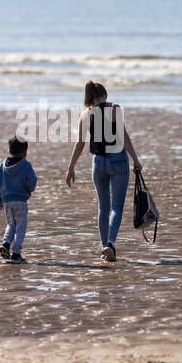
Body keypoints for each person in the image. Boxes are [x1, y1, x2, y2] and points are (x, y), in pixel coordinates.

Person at [64, 81, 142, 262]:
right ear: (104, 95)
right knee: (116, 207)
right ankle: (111, 244)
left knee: (103, 207)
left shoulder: (84, 114)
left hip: (98, 163)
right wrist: (136, 160)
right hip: (117, 161)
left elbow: (80, 144)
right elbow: (124, 136)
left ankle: (103, 248)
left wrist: (71, 167)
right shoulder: (115, 109)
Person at [0, 135, 37, 264]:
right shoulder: (25, 165)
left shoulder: (2, 166)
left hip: (6, 201)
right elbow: (32, 181)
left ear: (9, 151)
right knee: (20, 227)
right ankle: (16, 254)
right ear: (24, 152)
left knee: (11, 224)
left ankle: (6, 244)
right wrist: (28, 190)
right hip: (20, 201)